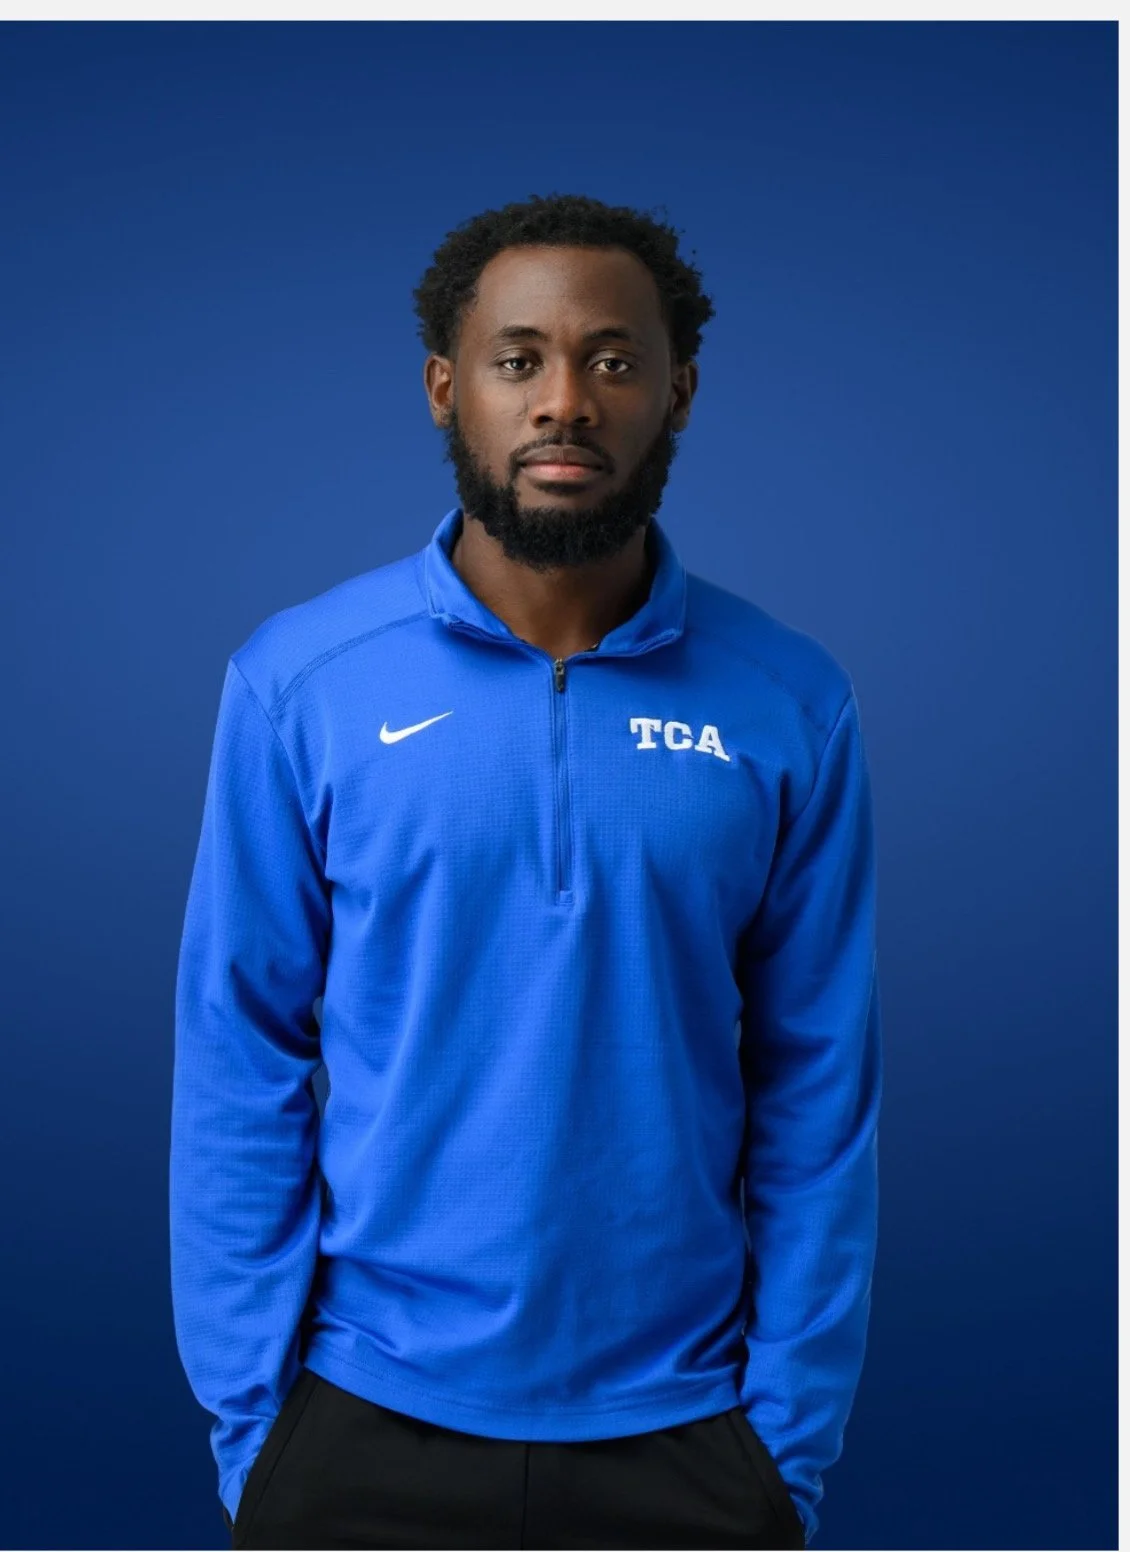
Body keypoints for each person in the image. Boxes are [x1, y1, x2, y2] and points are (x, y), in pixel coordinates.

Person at [170, 191, 882, 1550]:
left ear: (678, 392)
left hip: (691, 1437)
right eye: (519, 360)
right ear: (447, 390)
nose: (566, 400)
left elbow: (819, 1085)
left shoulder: (789, 700)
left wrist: (782, 1445)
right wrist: (258, 1435)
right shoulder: (300, 684)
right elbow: (237, 1057)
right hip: (360, 1425)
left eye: (614, 360)